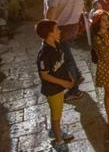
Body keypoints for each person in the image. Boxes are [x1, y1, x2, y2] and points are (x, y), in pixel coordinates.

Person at [43, 0, 86, 101]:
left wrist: (45, 27)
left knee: (65, 59)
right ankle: (77, 76)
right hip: (73, 25)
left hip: (60, 27)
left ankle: (74, 90)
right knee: (66, 53)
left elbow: (52, 9)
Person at [35, 20, 75, 152]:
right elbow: (44, 75)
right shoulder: (44, 54)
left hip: (59, 87)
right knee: (56, 116)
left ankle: (55, 131)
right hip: (52, 90)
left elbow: (61, 63)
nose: (59, 31)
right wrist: (64, 83)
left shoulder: (56, 44)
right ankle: (58, 141)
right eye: (57, 29)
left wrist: (68, 75)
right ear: (50, 33)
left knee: (57, 112)